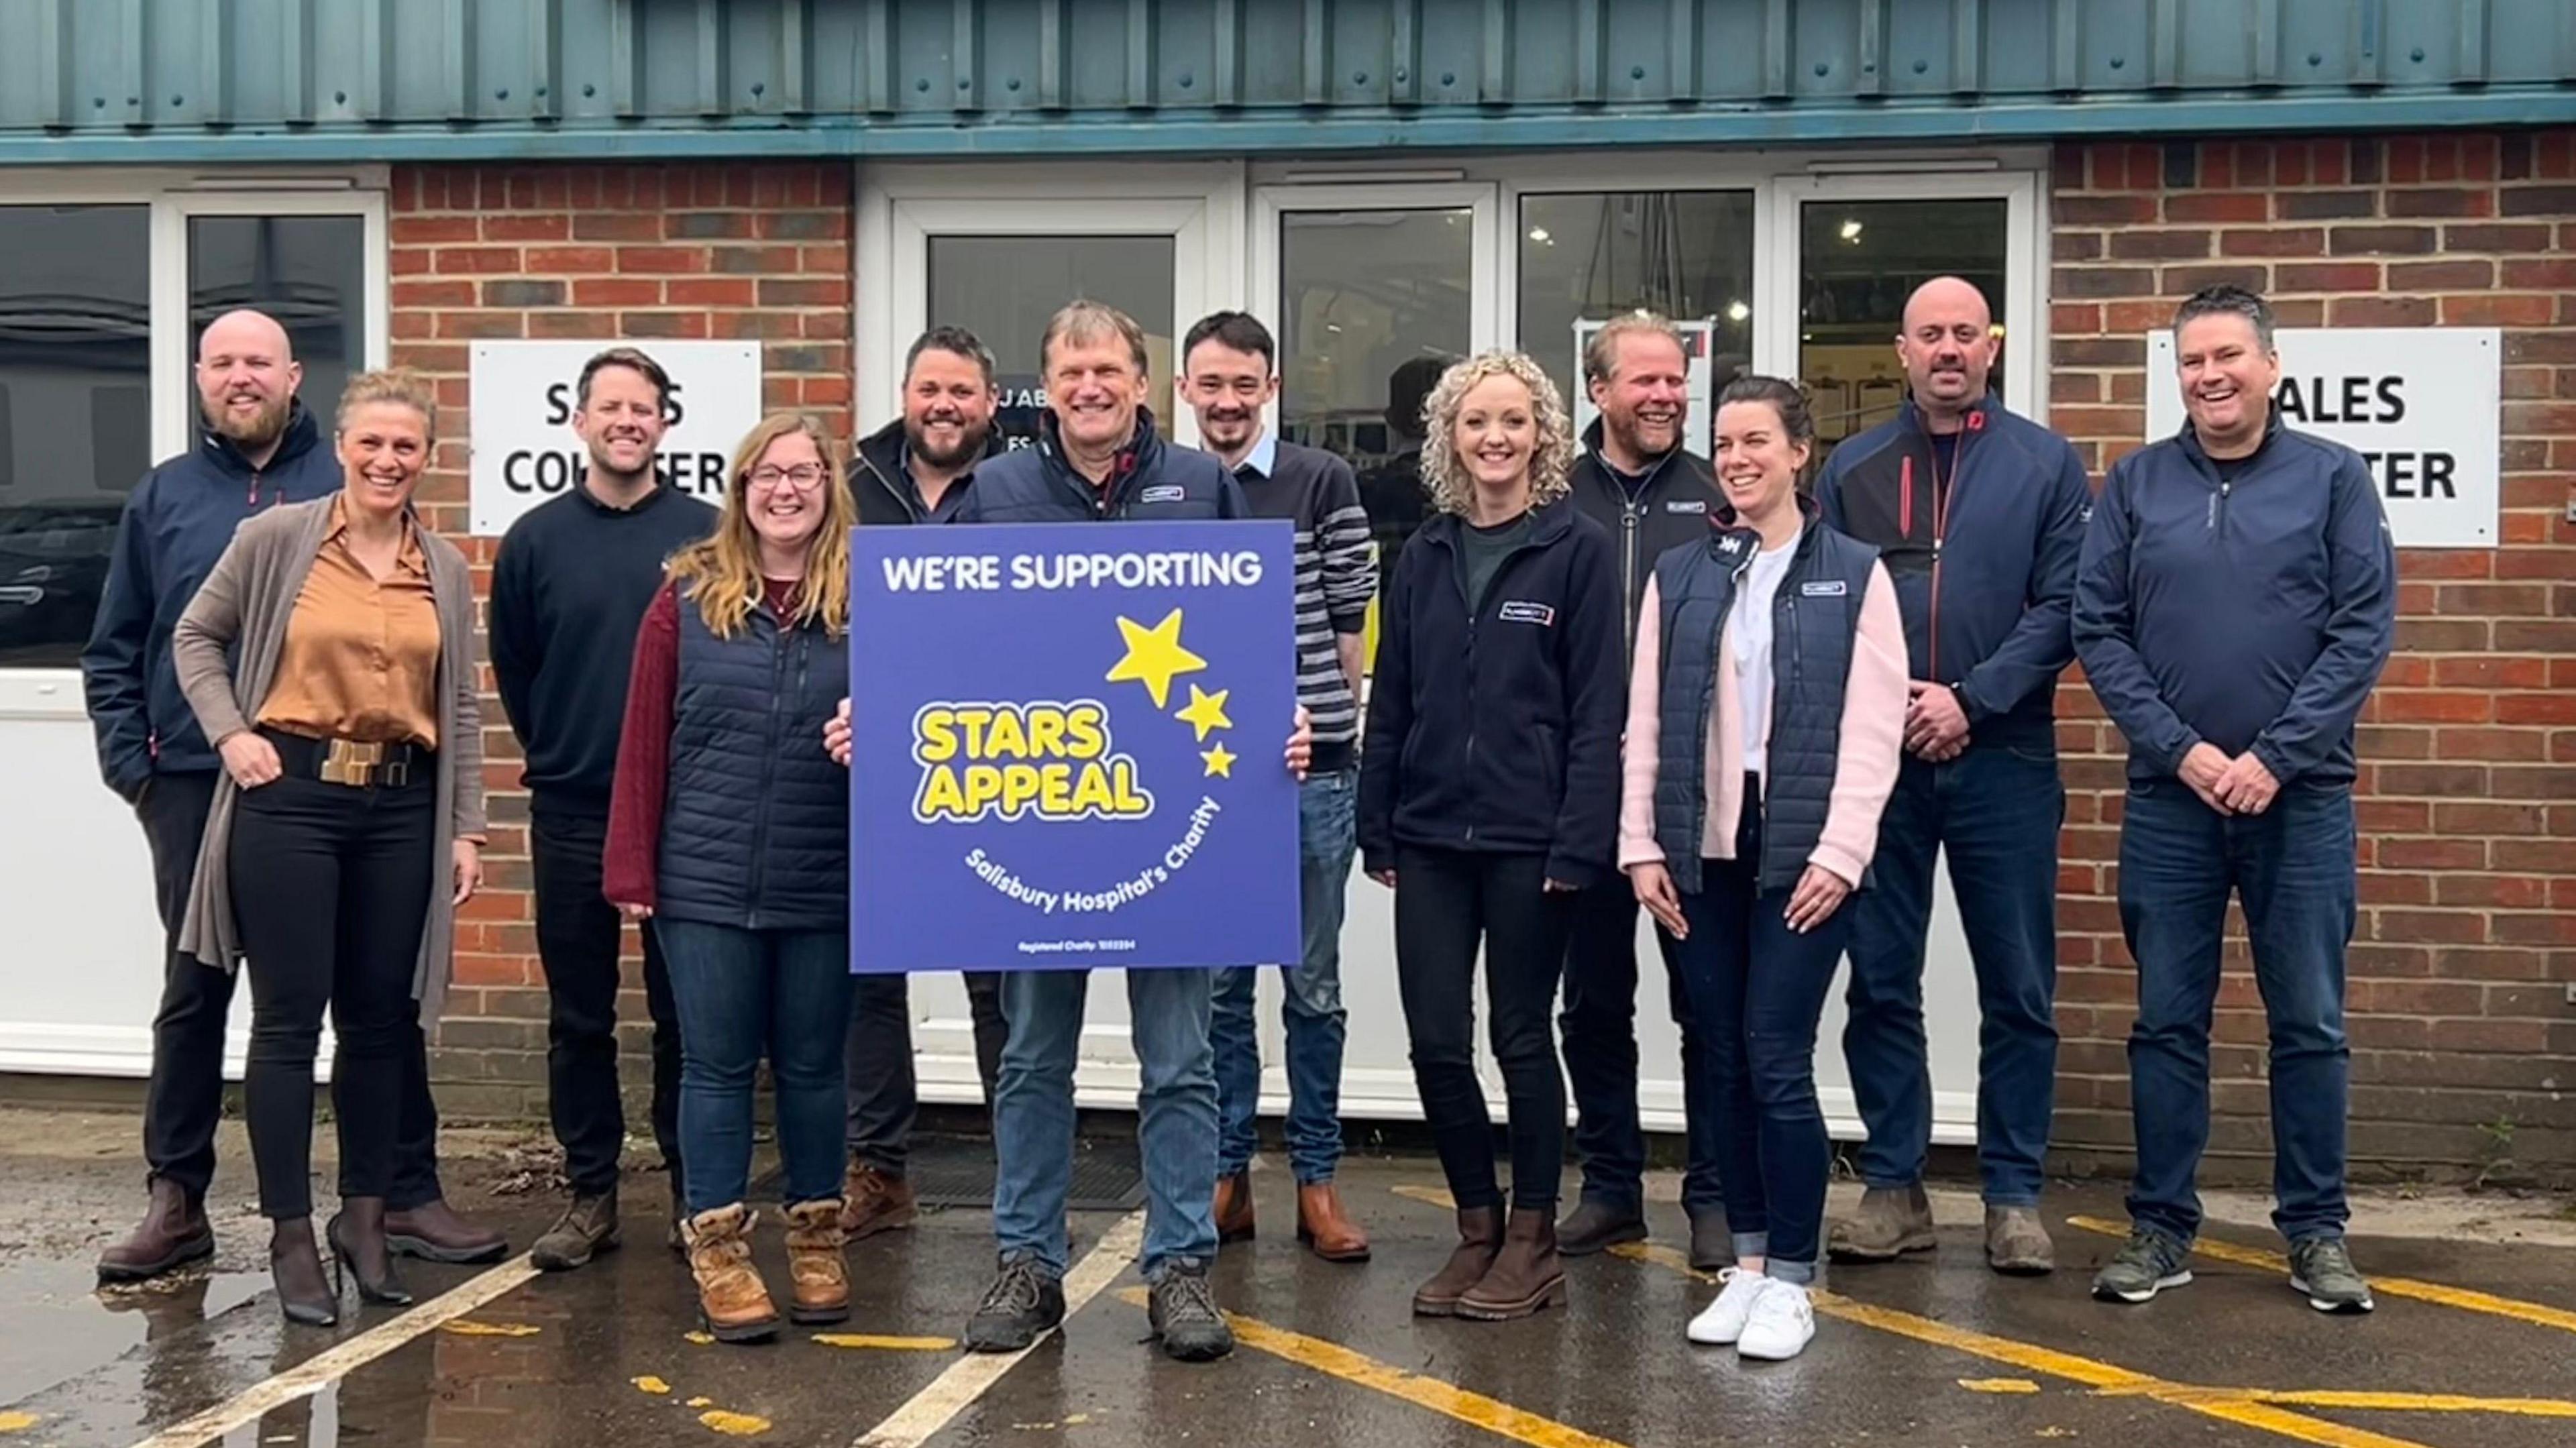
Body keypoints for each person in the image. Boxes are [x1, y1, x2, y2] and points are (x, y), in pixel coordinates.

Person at [82, 311, 501, 1285]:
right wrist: (146, 766)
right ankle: (179, 1198)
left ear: (293, 377)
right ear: (200, 376)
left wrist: (466, 826)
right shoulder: (175, 500)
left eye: (257, 363)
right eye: (223, 363)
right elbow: (136, 643)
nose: (240, 378)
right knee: (205, 993)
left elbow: (460, 702)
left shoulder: (406, 539)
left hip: (382, 801)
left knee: (379, 1008)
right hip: (214, 785)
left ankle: (396, 1194)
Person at [951, 300, 1309, 1365]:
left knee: (1182, 1059)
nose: (1091, 387)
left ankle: (1181, 1269)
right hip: (1046, 814)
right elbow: (948, 638)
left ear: (1145, 384)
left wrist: (1283, 717)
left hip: (1177, 826)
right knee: (1032, 1059)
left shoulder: (1204, 488)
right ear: (1046, 385)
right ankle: (1028, 1262)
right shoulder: (996, 490)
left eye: (1109, 369)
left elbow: (1254, 634)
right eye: (1071, 372)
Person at [2074, 285, 2396, 1315]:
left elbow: (2361, 631)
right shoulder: (2136, 483)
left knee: (2308, 1023)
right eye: (2192, 362)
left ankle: (2316, 1233)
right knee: (2168, 1024)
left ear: (2271, 364)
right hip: (2173, 805)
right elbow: (2100, 628)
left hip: (2301, 803)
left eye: (2227, 357)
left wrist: (2274, 756)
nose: (2210, 376)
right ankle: (2162, 1229)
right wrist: (2185, 753)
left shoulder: (2333, 480)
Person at [1619, 375, 1907, 1363]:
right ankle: (1744, 1265)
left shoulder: (1856, 574)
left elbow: (1875, 733)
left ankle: (1793, 1277)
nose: (1738, 459)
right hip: (1702, 854)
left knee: (1778, 1060)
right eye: (1725, 444)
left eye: (1757, 442)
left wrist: (1842, 851)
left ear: (1799, 452)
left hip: (1803, 858)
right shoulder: (1683, 574)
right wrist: (1640, 843)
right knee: (1724, 1061)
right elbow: (1646, 722)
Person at [1814, 277, 2094, 1275]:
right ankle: (1895, 1184)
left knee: (2018, 983)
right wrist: (1896, 708)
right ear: (1901, 351)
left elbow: (2067, 605)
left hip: (2005, 754)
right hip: (1880, 764)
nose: (1947, 349)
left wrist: (1969, 701)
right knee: (1882, 979)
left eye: (1964, 334)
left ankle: (2013, 1194)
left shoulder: (2045, 464)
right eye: (1929, 334)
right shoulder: (1851, 468)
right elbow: (1824, 606)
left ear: (1992, 346)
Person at [1356, 349, 1624, 1322]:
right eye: (1476, 422)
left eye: (1514, 420)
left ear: (1543, 436)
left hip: (1531, 838)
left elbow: (1600, 712)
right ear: (1449, 438)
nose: (1495, 438)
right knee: (1435, 1038)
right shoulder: (1422, 553)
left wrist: (1578, 842)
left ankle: (1534, 1237)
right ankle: (1477, 1224)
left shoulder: (1578, 549)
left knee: (1520, 1037)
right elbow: (1393, 699)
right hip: (1428, 836)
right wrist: (1374, 819)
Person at [604, 413, 859, 1344]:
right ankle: (717, 1247)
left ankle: (818, 1237)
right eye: (766, 475)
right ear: (740, 490)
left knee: (813, 1067)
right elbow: (641, 742)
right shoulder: (686, 597)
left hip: (827, 873)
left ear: (830, 488)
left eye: (803, 473)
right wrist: (632, 867)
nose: (784, 490)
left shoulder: (869, 599)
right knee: (713, 1070)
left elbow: (928, 727)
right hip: (702, 881)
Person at [490, 347, 718, 1271]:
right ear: (578, 420)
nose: (628, 421)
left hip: (683, 814)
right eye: (611, 407)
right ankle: (590, 1195)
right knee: (579, 1016)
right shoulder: (536, 540)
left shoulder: (706, 537)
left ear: (665, 423)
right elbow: (518, 671)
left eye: (645, 408)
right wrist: (563, 751)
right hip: (574, 809)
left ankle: (693, 1194)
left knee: (688, 1018)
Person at [1180, 311, 1378, 1264]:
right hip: (1202, 779)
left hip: (1310, 776)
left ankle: (1317, 1179)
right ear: (1185, 390)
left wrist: (1329, 727)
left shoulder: (1320, 479)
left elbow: (1351, 624)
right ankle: (1227, 1175)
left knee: (1315, 989)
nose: (1226, 401)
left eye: (1243, 384)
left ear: (1272, 387)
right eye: (1209, 384)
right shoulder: (1167, 489)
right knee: (1218, 992)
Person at [1555, 311, 1731, 1267]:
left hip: (1690, 794)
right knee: (1591, 1002)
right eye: (1645, 381)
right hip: (1581, 788)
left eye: (1676, 381)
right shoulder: (1553, 494)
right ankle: (1612, 1185)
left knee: (1704, 1003)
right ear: (1599, 391)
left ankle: (1709, 1192)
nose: (1666, 396)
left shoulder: (1718, 495)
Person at [841, 325, 1013, 1243]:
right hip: (872, 775)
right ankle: (881, 1172)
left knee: (999, 987)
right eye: (929, 390)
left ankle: (1021, 1185)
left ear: (990, 404)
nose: (944, 406)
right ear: (904, 395)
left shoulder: (1024, 492)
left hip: (991, 766)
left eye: (962, 391)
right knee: (871, 981)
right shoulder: (850, 488)